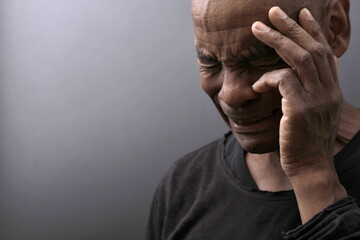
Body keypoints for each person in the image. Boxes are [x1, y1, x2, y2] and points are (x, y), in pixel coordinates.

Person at [147, 0, 360, 239]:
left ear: (335, 27)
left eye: (262, 59)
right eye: (210, 62)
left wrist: (313, 174)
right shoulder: (184, 186)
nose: (231, 95)